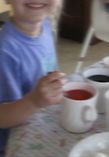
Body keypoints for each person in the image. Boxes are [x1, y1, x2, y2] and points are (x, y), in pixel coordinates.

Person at [0, 0, 65, 156]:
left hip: (41, 124)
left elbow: (49, 68)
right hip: (12, 146)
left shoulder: (47, 26)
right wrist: (34, 101)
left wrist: (55, 84)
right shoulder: (5, 49)